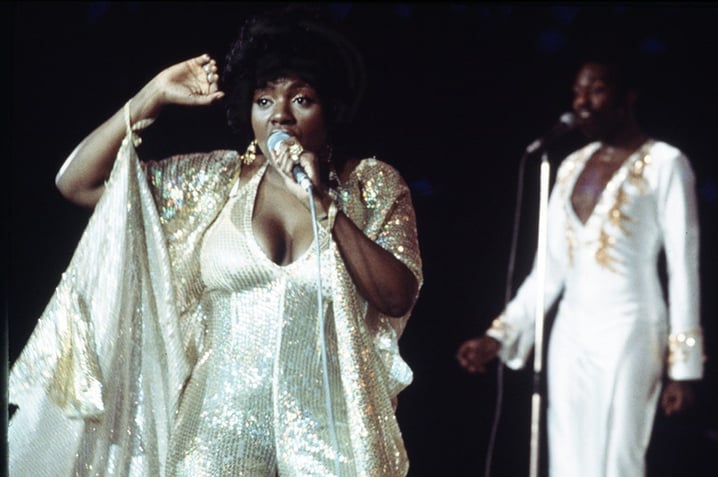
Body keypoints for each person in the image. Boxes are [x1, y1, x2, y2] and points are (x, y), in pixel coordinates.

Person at [8, 6, 422, 476]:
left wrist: (326, 206)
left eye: (301, 99)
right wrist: (152, 96)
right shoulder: (212, 182)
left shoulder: (370, 186)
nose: (279, 116)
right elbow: (77, 182)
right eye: (264, 101)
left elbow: (396, 295)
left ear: (332, 109)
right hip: (215, 436)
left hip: (330, 438)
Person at [456, 59, 704, 476]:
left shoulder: (666, 163)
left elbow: (684, 265)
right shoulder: (568, 167)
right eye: (577, 92)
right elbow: (548, 271)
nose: (583, 102)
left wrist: (684, 366)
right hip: (571, 334)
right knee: (569, 457)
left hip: (632, 327)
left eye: (597, 90)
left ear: (628, 97)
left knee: (619, 457)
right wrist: (499, 335)